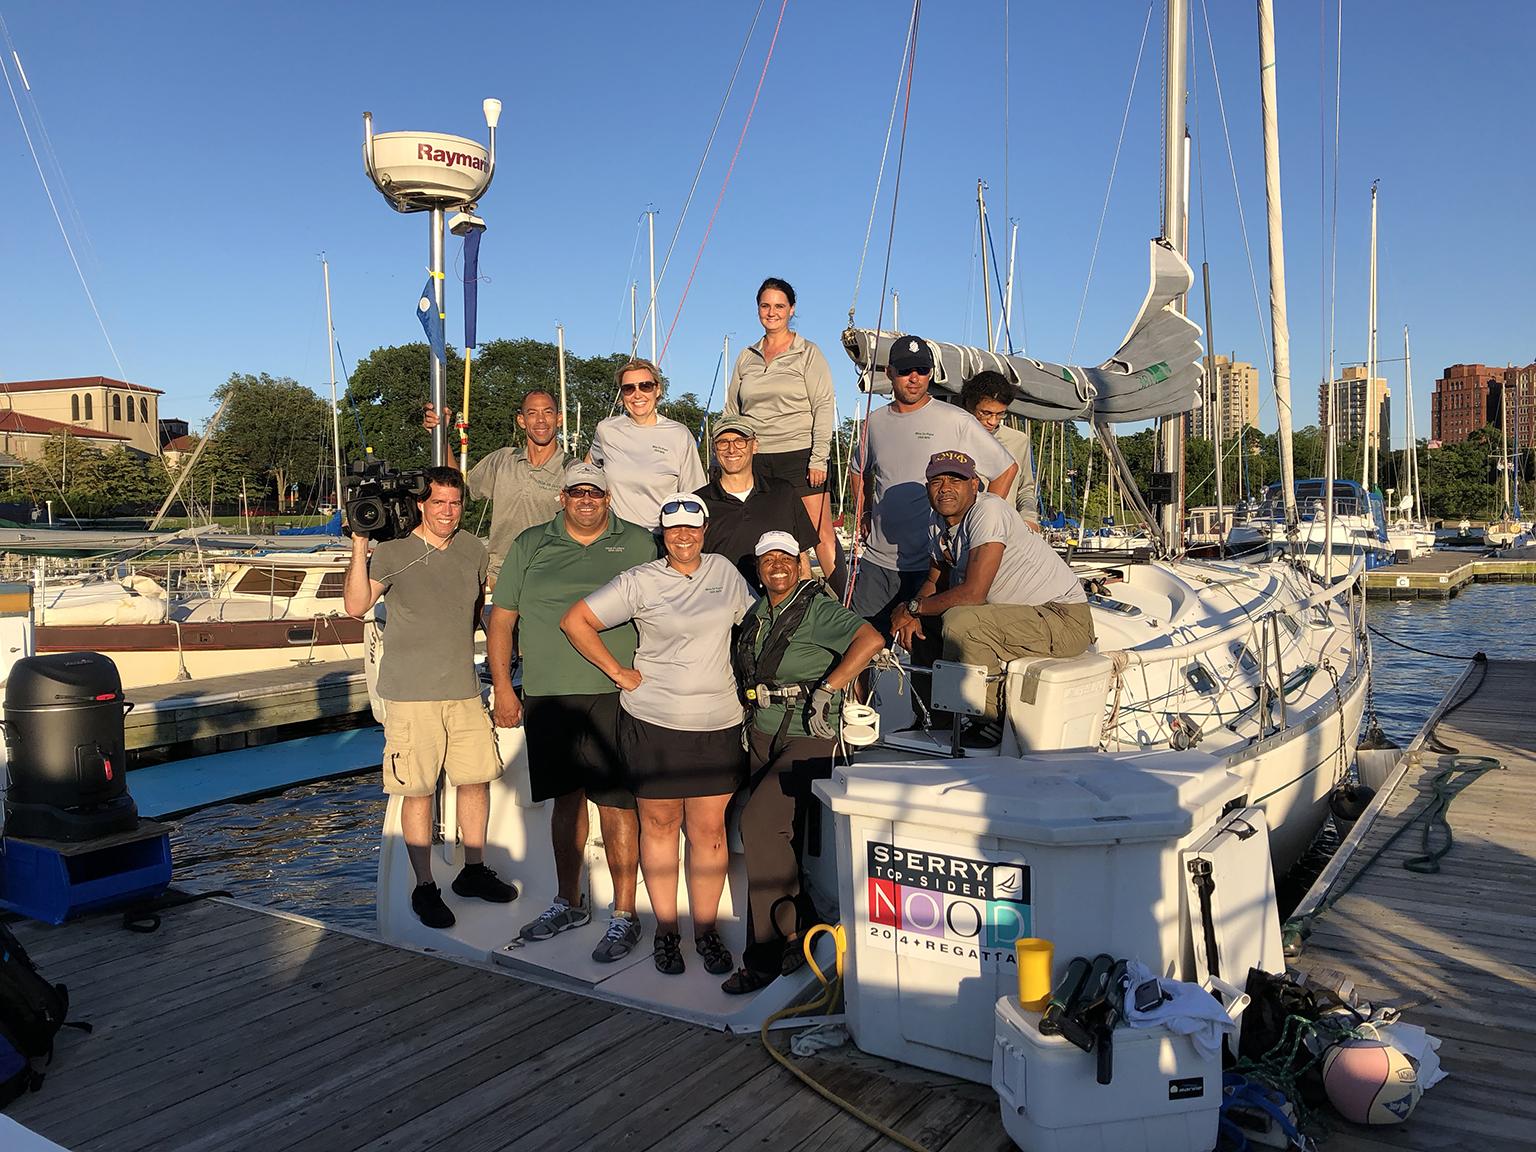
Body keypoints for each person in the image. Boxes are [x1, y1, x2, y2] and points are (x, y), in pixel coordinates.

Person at [560, 494, 755, 977]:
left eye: (692, 528)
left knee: (709, 834)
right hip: (653, 720)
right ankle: (667, 930)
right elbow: (576, 621)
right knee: (661, 828)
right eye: (674, 530)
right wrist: (617, 672)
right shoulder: (640, 580)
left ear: (705, 530)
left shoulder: (726, 574)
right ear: (662, 535)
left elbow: (757, 626)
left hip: (717, 720)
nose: (683, 537)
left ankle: (705, 932)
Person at [486, 461, 653, 962]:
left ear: (608, 497)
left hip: (616, 692)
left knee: (617, 803)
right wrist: (502, 686)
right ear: (562, 497)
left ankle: (624, 914)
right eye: (577, 492)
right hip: (547, 692)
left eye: (595, 493)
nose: (586, 500)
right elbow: (502, 619)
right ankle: (569, 901)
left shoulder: (641, 542)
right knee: (565, 800)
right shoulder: (530, 544)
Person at [343, 466, 517, 929]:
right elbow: (357, 605)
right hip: (410, 694)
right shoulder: (392, 551)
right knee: (417, 790)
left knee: (476, 778)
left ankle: (474, 871)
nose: (447, 511)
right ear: (422, 505)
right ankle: (425, 886)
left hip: (463, 687)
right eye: (438, 502)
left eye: (455, 503)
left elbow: (478, 611)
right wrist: (360, 544)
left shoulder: (473, 550)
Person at [725, 531, 884, 994]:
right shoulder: (757, 614)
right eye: (767, 558)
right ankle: (800, 927)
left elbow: (869, 638)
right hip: (762, 732)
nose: (776, 565)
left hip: (811, 737)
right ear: (758, 567)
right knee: (776, 835)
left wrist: (829, 688)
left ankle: (766, 954)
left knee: (759, 823)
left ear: (801, 564)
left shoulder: (817, 609)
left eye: (785, 557)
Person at [891, 451, 1095, 740]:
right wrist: (913, 614)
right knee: (926, 626)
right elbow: (934, 580)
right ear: (927, 488)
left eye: (955, 480)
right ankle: (931, 719)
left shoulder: (989, 510)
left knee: (963, 621)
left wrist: (912, 607)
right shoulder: (937, 521)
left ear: (975, 485)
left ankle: (988, 719)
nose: (945, 487)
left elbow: (974, 594)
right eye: (936, 481)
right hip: (1018, 617)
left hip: (1063, 618)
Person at [847, 335, 1018, 636]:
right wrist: (863, 511)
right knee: (858, 646)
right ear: (889, 373)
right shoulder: (872, 423)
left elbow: (1006, 469)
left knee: (926, 658)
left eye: (922, 370)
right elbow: (858, 470)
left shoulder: (957, 420)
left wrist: (976, 527)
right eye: (905, 370)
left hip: (934, 566)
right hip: (878, 562)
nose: (914, 379)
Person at [724, 278, 845, 592]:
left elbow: (823, 405)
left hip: (800, 456)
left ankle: (847, 611)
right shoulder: (746, 357)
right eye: (765, 305)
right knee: (776, 540)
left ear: (791, 310)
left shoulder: (808, 353)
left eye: (779, 306)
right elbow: (731, 412)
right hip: (757, 460)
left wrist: (819, 458)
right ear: (758, 310)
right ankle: (786, 611)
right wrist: (725, 454)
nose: (772, 312)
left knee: (821, 537)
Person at [424, 390, 566, 590]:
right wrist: (441, 436)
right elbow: (459, 490)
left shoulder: (572, 470)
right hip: (501, 575)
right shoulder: (502, 459)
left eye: (548, 412)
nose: (541, 420)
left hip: (548, 577)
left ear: (559, 419)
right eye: (532, 413)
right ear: (521, 420)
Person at [695, 414, 819, 586]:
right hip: (722, 603)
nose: (732, 449)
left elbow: (802, 552)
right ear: (714, 449)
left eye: (740, 441)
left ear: (754, 446)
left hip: (777, 603)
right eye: (723, 442)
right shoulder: (699, 503)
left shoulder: (783, 492)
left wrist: (803, 596)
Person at [589, 358, 707, 530]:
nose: (637, 395)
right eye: (628, 388)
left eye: (645, 386)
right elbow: (588, 468)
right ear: (622, 394)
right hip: (614, 537)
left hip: (659, 538)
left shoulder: (679, 434)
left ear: (657, 389)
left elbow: (694, 494)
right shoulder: (606, 429)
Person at [961, 370, 1040, 529]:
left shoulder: (1018, 441)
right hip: (962, 533)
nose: (992, 421)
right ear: (970, 405)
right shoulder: (954, 437)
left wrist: (1029, 518)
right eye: (986, 413)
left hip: (1007, 532)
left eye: (1000, 414)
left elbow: (1025, 490)